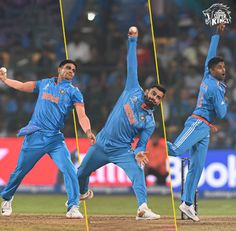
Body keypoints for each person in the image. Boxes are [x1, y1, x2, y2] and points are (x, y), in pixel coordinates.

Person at [77, 26, 166, 220]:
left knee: (137, 172)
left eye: (159, 98)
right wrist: (132, 41)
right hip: (101, 144)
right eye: (154, 93)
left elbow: (141, 144)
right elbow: (131, 65)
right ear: (147, 91)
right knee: (81, 174)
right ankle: (83, 193)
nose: (155, 98)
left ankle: (142, 208)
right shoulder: (133, 89)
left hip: (121, 150)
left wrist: (139, 152)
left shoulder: (149, 122)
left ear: (159, 102)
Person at [0, 60, 96, 218]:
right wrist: (4, 80)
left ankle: (73, 207)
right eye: (68, 68)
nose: (71, 71)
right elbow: (22, 86)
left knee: (70, 170)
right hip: (34, 136)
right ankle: (7, 199)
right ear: (59, 69)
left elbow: (82, 115)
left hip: (55, 139)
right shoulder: (44, 83)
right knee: (19, 172)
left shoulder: (74, 91)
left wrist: (88, 131)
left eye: (73, 70)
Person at [167, 23, 228, 222]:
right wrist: (225, 102)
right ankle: (145, 144)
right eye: (220, 67)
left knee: (197, 168)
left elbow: (211, 54)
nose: (223, 70)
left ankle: (187, 203)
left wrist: (215, 36)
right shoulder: (217, 88)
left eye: (224, 66)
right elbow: (221, 113)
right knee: (175, 150)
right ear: (212, 70)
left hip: (204, 128)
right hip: (197, 123)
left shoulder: (205, 73)